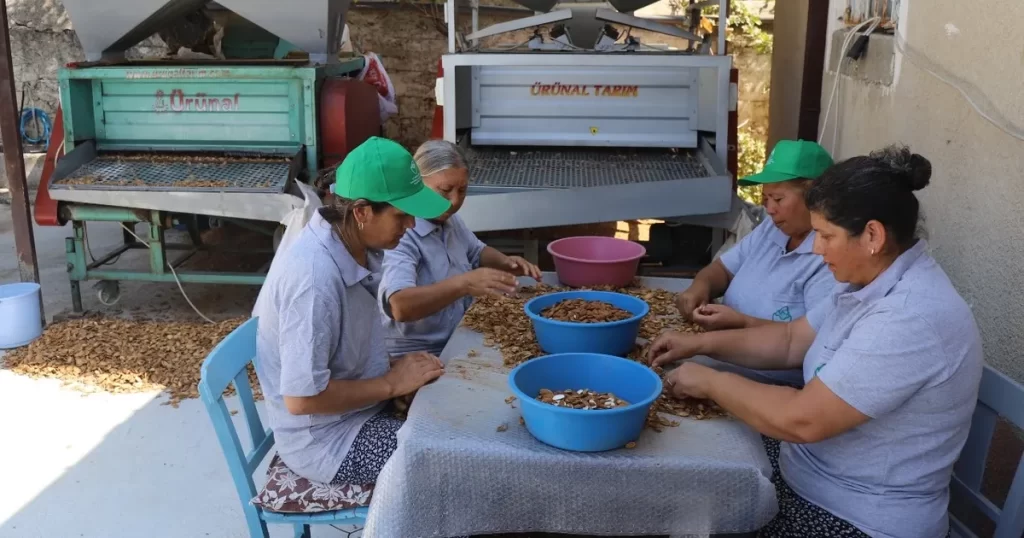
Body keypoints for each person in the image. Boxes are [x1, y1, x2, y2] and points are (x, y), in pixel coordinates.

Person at [649, 146, 982, 538]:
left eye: (826, 236)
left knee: (687, 504)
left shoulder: (911, 316)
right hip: (807, 473)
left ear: (872, 235)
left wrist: (711, 382)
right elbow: (791, 340)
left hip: (855, 516)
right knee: (687, 474)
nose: (818, 250)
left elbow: (802, 419)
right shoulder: (868, 282)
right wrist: (700, 346)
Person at [251, 136, 454, 486]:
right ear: (361, 211)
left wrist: (390, 372)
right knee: (450, 462)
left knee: (455, 413)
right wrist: (389, 383)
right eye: (402, 216)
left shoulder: (353, 242)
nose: (410, 227)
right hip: (327, 440)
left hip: (356, 410)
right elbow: (301, 399)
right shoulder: (313, 280)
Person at [677, 139, 838, 387]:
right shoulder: (772, 229)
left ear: (816, 198)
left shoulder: (831, 258)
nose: (770, 209)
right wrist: (699, 287)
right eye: (765, 199)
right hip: (719, 358)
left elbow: (803, 342)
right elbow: (722, 269)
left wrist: (740, 323)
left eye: (778, 199)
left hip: (766, 384)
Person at [378, 139, 542, 357]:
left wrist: (507, 262)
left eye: (462, 190)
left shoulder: (449, 220)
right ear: (416, 185)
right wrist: (464, 284)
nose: (454, 201)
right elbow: (399, 306)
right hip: (417, 356)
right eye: (445, 190)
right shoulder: (401, 234)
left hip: (458, 336)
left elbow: (476, 251)